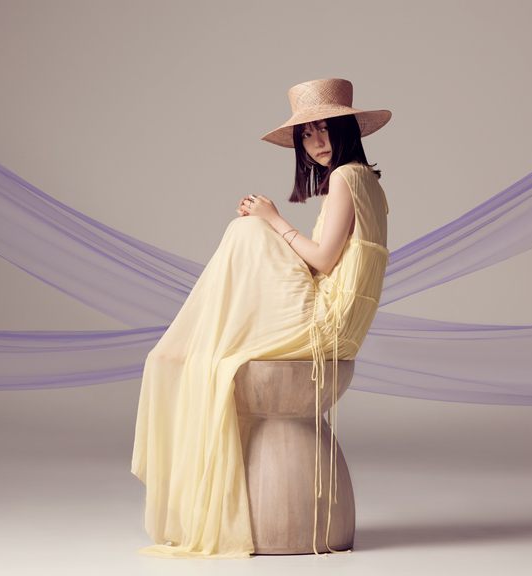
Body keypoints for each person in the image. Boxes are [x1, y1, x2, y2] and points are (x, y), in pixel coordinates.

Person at [130, 78, 391, 558]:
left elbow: (325, 260)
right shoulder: (365, 181)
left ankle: (186, 347)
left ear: (346, 129)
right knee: (249, 230)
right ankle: (196, 345)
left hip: (326, 324)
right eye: (306, 134)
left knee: (247, 230)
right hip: (341, 322)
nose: (316, 141)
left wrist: (273, 220)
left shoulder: (345, 178)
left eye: (324, 128)